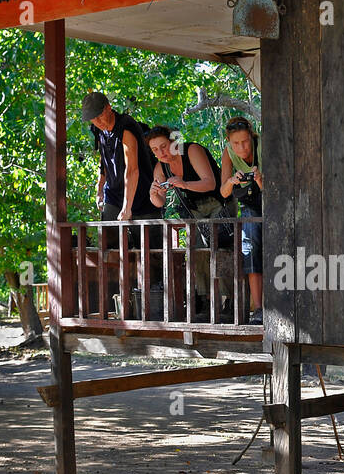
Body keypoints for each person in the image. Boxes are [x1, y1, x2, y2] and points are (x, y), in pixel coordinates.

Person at [145, 126, 234, 318]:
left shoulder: (192, 150)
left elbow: (210, 183)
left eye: (164, 146)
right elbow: (159, 202)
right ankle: (207, 303)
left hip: (218, 204)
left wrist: (184, 184)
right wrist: (154, 194)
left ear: (174, 143)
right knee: (198, 252)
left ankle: (231, 301)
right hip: (195, 212)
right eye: (155, 150)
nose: (161, 153)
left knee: (222, 250)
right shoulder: (161, 167)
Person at [82, 92, 162, 240]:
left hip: (141, 195)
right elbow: (104, 160)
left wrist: (127, 208)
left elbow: (132, 170)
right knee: (108, 245)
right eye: (93, 119)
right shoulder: (98, 130)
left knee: (151, 251)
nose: (97, 122)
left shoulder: (126, 127)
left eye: (99, 116)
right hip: (113, 195)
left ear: (108, 108)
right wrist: (100, 189)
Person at [219, 116, 264, 324]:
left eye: (245, 141)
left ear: (251, 136)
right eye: (236, 143)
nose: (242, 147)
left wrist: (259, 179)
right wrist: (232, 180)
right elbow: (224, 192)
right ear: (229, 141)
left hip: (273, 203)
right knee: (251, 251)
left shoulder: (263, 146)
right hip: (248, 204)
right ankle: (259, 308)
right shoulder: (228, 154)